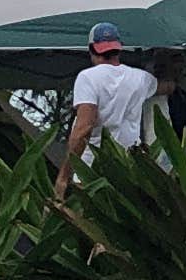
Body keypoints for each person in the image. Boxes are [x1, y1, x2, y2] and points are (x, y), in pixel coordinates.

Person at [55, 22, 160, 201]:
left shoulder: (87, 78)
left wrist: (63, 176)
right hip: (130, 168)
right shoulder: (141, 78)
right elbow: (165, 87)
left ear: (91, 49)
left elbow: (84, 128)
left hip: (92, 171)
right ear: (118, 49)